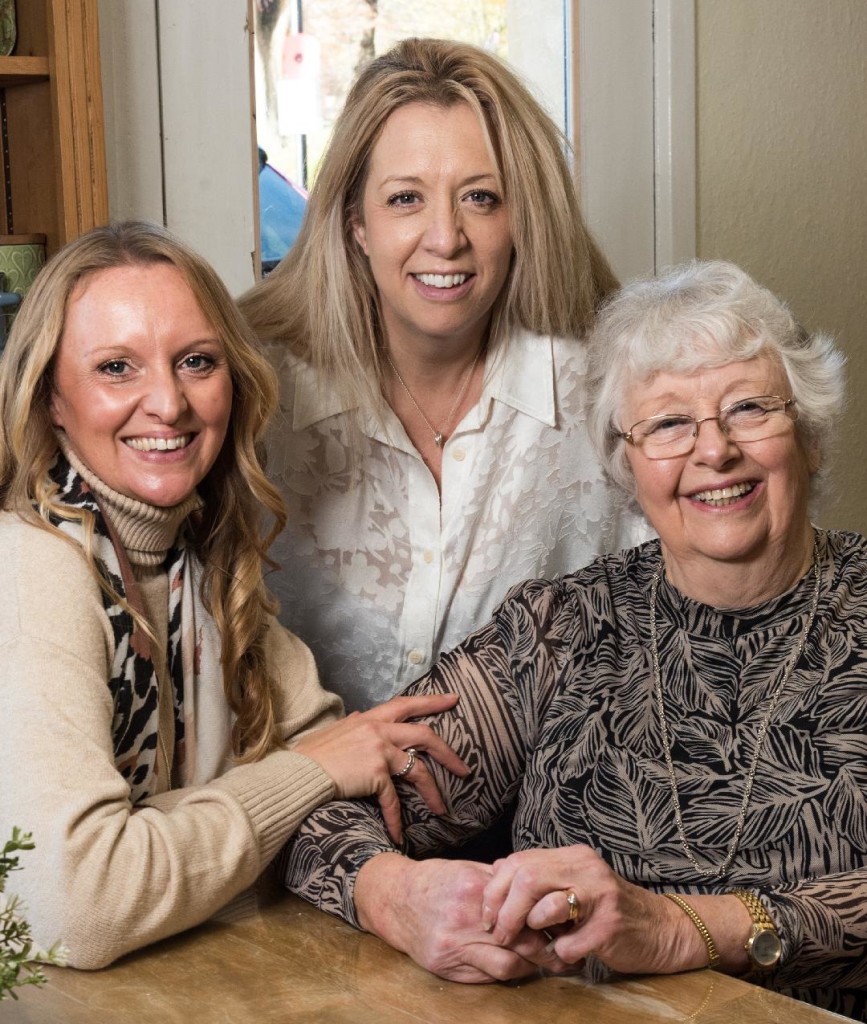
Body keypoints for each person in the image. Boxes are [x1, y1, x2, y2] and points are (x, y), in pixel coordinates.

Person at [281, 260, 867, 1020]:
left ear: (810, 437)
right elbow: (319, 808)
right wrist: (396, 895)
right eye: (667, 424)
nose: (713, 451)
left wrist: (690, 929)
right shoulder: (563, 628)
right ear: (627, 466)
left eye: (749, 408)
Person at [0, 221, 467, 970]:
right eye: (116, 367)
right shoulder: (32, 566)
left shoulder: (200, 558)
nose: (169, 403)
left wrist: (164, 830)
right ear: (52, 399)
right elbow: (76, 906)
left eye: (195, 362)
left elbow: (340, 754)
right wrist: (303, 774)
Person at [239, 37, 645, 714]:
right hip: (301, 800)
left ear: (522, 220)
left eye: (481, 198)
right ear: (355, 225)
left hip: (537, 808)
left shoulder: (605, 390)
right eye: (404, 199)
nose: (445, 237)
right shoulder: (253, 392)